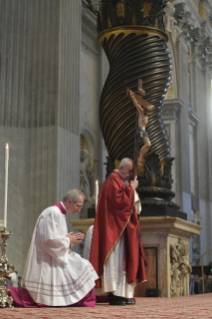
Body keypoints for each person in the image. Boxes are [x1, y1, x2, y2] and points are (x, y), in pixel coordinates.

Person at [9, 189, 98, 307]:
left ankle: (79, 300)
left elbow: (55, 238)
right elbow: (48, 241)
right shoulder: (52, 213)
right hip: (47, 259)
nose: (79, 210)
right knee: (82, 265)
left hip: (56, 255)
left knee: (83, 265)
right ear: (70, 201)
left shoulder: (59, 214)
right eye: (78, 206)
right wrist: (68, 240)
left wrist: (69, 239)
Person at [90, 158, 147, 306]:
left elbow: (128, 202)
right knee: (115, 262)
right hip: (114, 231)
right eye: (128, 172)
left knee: (123, 263)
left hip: (122, 232)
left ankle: (122, 294)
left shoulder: (121, 182)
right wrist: (131, 189)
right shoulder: (112, 181)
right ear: (121, 168)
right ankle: (114, 294)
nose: (129, 175)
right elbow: (119, 202)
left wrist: (131, 191)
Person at [126, 80, 154, 166]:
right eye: (148, 111)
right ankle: (139, 159)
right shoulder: (141, 111)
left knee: (148, 145)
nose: (148, 113)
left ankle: (139, 158)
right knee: (148, 144)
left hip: (144, 131)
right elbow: (136, 104)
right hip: (140, 130)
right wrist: (132, 96)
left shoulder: (146, 115)